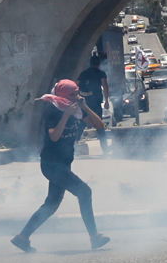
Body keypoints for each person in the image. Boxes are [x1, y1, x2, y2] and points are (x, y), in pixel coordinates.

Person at [11, 79, 111, 253]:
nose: (76, 97)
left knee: (52, 204)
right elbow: (54, 137)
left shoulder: (78, 110)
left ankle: (22, 238)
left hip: (63, 164)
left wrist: (85, 107)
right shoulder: (54, 109)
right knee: (85, 192)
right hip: (51, 164)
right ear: (63, 95)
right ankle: (94, 237)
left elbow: (99, 125)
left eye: (77, 93)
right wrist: (66, 115)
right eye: (72, 94)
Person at [77, 55, 110, 150]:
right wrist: (106, 101)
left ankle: (74, 145)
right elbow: (105, 86)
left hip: (83, 103)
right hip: (95, 102)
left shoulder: (83, 73)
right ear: (99, 64)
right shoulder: (101, 73)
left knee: (81, 123)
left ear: (90, 63)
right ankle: (105, 148)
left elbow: (76, 85)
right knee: (99, 124)